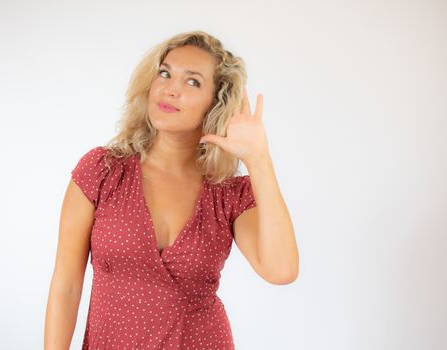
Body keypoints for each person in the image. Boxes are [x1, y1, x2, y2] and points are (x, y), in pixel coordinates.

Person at [44, 30, 298, 350]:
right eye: (165, 73)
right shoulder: (102, 171)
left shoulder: (228, 194)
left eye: (192, 82)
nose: (170, 89)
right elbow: (66, 283)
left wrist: (259, 159)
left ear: (214, 103)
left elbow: (281, 270)